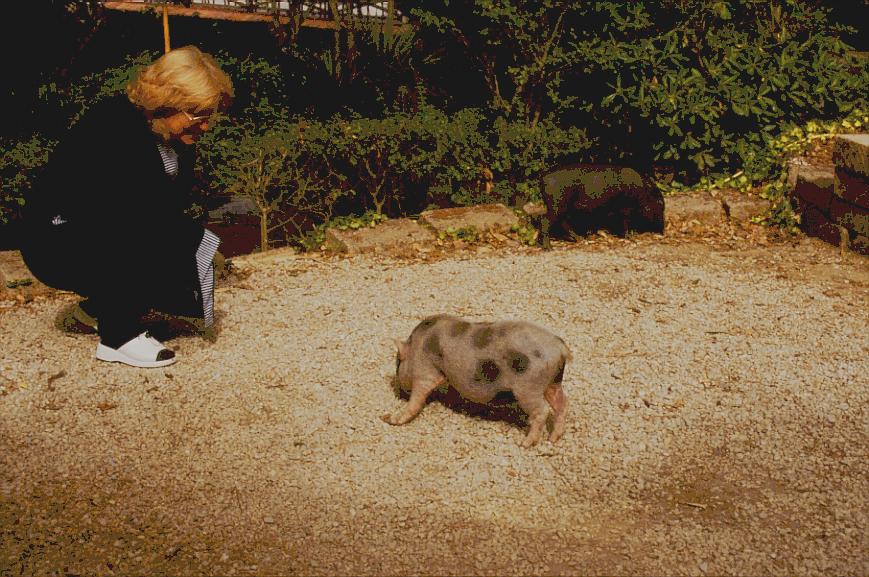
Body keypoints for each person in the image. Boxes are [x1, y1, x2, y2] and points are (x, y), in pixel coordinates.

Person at [21, 46, 234, 368]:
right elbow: (119, 216)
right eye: (198, 115)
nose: (205, 126)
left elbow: (164, 209)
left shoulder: (174, 140)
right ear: (167, 104)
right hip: (55, 241)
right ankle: (118, 337)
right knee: (157, 233)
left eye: (209, 116)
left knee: (174, 236)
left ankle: (92, 311)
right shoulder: (113, 125)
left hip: (97, 230)